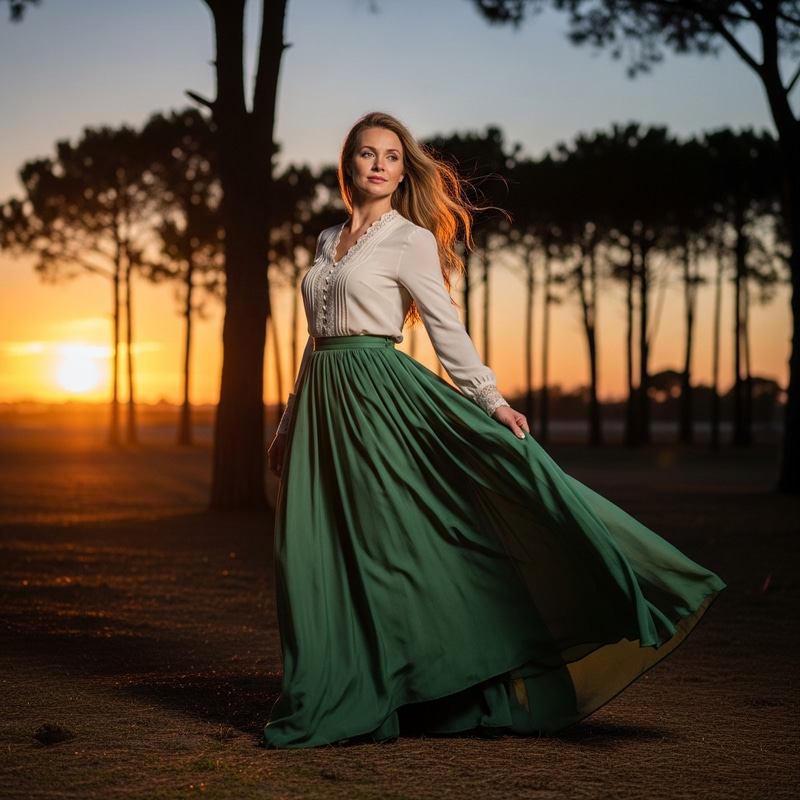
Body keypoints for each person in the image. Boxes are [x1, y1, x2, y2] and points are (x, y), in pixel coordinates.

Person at [263, 111, 724, 749]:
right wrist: (288, 423)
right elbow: (315, 342)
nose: (377, 164)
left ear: (402, 169)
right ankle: (340, 683)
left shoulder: (410, 239)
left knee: (384, 548)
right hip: (323, 405)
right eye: (366, 153)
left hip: (378, 397)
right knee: (313, 552)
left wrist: (489, 400)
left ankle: (414, 685)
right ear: (349, 165)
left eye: (391, 156)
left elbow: (446, 327)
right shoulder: (325, 240)